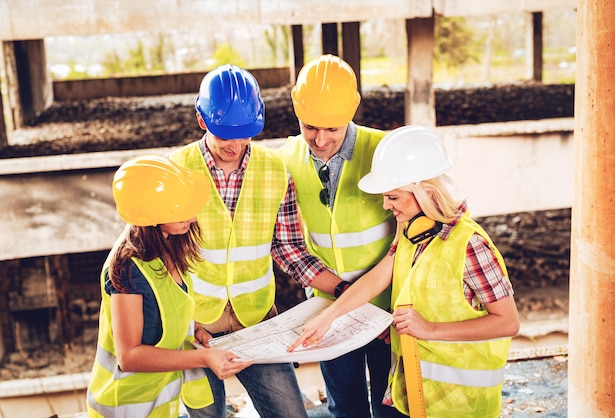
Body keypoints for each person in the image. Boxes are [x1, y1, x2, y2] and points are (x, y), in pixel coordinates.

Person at [289, 125, 521, 417]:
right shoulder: (412, 232)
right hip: (409, 388)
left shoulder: (470, 245)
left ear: (425, 192)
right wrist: (329, 317)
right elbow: (378, 277)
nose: (386, 205)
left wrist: (428, 329)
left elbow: (508, 322)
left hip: (460, 404)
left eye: (394, 197)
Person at [169, 64, 349, 418]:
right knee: (206, 415)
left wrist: (343, 290)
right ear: (202, 120)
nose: (235, 146)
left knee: (289, 414)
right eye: (225, 135)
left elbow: (290, 250)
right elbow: (163, 262)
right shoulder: (178, 171)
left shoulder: (274, 169)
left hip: (258, 321)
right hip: (193, 327)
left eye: (245, 135)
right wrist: (188, 326)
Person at [278, 54, 401, 418]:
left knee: (393, 404)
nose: (320, 139)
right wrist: (340, 297)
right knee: (345, 407)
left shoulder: (383, 151)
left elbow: (411, 237)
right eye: (310, 126)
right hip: (328, 307)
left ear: (352, 111)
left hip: (388, 308)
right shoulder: (286, 158)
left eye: (332, 128)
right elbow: (288, 244)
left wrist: (389, 305)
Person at [86, 155, 252, 418]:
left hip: (158, 401)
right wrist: (204, 358)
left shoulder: (167, 245)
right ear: (152, 215)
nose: (193, 216)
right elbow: (130, 356)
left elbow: (167, 309)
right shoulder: (128, 266)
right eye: (180, 209)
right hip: (126, 406)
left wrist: (194, 329)